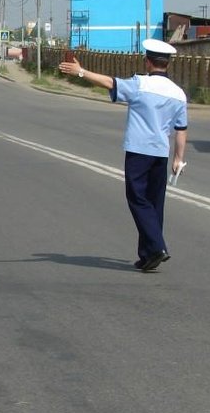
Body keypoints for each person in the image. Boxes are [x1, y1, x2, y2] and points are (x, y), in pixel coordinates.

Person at [58, 39, 188, 272]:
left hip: (139, 151)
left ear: (148, 62)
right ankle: (147, 255)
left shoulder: (140, 84)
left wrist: (80, 72)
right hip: (161, 153)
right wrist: (179, 158)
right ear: (167, 64)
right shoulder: (178, 94)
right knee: (154, 203)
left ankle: (157, 247)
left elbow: (109, 82)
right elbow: (181, 129)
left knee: (138, 199)